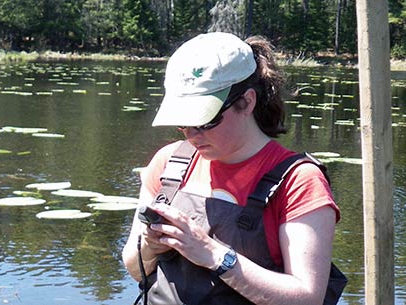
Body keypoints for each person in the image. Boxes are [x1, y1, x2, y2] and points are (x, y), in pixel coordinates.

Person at [120, 32, 342, 305]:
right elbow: (134, 267)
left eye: (204, 121)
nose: (191, 134)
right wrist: (150, 246)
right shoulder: (169, 164)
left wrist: (213, 255)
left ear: (247, 101)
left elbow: (308, 298)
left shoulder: (299, 180)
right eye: (182, 122)